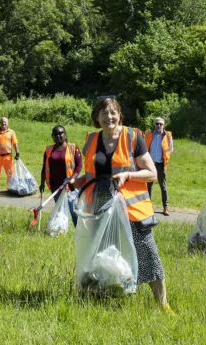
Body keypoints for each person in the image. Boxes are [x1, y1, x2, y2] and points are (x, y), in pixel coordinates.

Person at [73, 97, 170, 309]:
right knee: (102, 255)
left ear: (119, 115)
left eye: (113, 113)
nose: (109, 117)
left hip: (133, 210)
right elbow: (91, 174)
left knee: (148, 254)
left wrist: (128, 175)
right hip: (100, 209)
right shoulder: (90, 140)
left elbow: (151, 173)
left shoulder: (133, 137)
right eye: (103, 113)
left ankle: (162, 305)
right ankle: (99, 297)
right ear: (96, 118)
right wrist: (76, 181)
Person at [40, 124, 82, 226]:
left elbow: (79, 165)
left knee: (73, 210)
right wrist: (42, 183)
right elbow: (44, 168)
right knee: (60, 210)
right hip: (55, 186)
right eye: (55, 134)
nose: (58, 136)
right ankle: (61, 230)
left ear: (65, 135)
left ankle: (79, 231)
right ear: (53, 137)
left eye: (60, 133)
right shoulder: (49, 150)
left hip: (70, 186)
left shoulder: (73, 148)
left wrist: (72, 179)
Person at [144, 117, 174, 216]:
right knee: (149, 186)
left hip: (161, 164)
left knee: (163, 186)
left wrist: (166, 157)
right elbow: (144, 147)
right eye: (157, 124)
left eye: (161, 124)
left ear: (164, 125)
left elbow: (170, 149)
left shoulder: (167, 135)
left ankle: (166, 207)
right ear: (154, 124)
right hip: (150, 164)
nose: (159, 126)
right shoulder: (149, 134)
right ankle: (147, 207)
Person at [0, 117, 19, 193]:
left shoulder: (11, 132)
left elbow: (15, 143)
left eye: (5, 122)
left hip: (8, 157)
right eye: (2, 122)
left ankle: (10, 188)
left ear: (8, 123)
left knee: (10, 173)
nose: (4, 123)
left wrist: (17, 152)